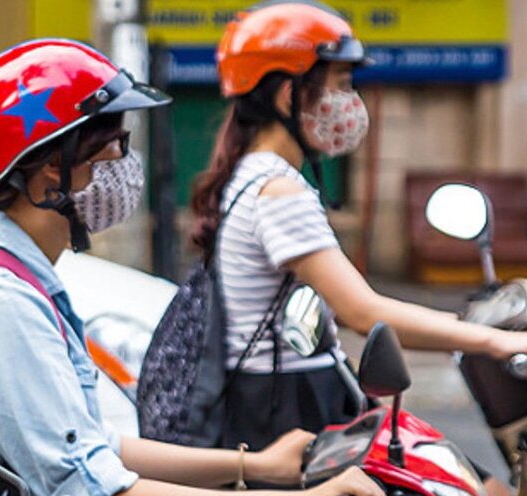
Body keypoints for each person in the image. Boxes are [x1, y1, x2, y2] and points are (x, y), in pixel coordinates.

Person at [0, 38, 382, 496]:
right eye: (113, 148)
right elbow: (87, 486)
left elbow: (88, 443)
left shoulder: (13, 278)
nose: (124, 168)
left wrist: (256, 464)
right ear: (53, 168)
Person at [186, 1, 519, 492]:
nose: (349, 101)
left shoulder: (253, 175)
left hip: (285, 395)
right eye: (341, 83)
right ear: (287, 94)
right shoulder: (278, 192)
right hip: (287, 409)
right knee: (476, 486)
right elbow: (362, 311)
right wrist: (497, 340)